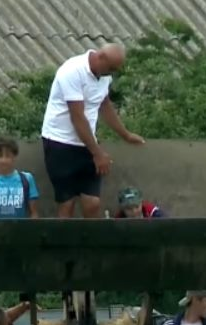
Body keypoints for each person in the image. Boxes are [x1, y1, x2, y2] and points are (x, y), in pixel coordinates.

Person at [40, 43, 144, 219]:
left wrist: (125, 134)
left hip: (87, 143)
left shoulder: (104, 76)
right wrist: (97, 153)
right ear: (100, 57)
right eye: (111, 68)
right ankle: (64, 238)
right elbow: (77, 117)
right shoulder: (72, 71)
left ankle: (90, 237)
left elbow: (104, 105)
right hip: (60, 142)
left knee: (93, 203)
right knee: (67, 203)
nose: (112, 73)